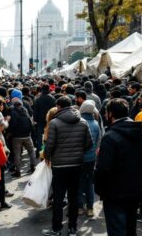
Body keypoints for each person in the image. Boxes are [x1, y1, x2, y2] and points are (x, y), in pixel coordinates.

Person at [95, 98, 142, 236]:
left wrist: (100, 189)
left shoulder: (110, 137)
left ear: (111, 114)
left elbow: (103, 169)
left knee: (117, 229)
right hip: (136, 190)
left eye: (106, 113)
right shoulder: (141, 134)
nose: (105, 116)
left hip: (114, 193)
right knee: (131, 228)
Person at [42, 96, 92, 236]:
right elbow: (89, 143)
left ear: (58, 106)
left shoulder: (55, 123)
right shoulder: (83, 121)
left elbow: (50, 144)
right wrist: (78, 152)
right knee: (74, 197)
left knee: (58, 197)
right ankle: (72, 228)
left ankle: (56, 229)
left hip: (59, 166)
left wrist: (47, 156)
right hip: (77, 164)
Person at [78, 100, 101, 217]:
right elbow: (98, 142)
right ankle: (90, 207)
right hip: (91, 158)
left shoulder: (78, 122)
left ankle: (80, 207)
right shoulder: (96, 124)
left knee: (79, 181)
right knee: (89, 182)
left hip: (78, 158)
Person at [33, 84, 56, 158]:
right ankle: (49, 152)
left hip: (40, 121)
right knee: (50, 136)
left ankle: (40, 152)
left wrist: (35, 119)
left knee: (40, 137)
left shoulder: (38, 99)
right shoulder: (52, 98)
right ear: (48, 89)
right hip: (50, 120)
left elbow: (35, 111)